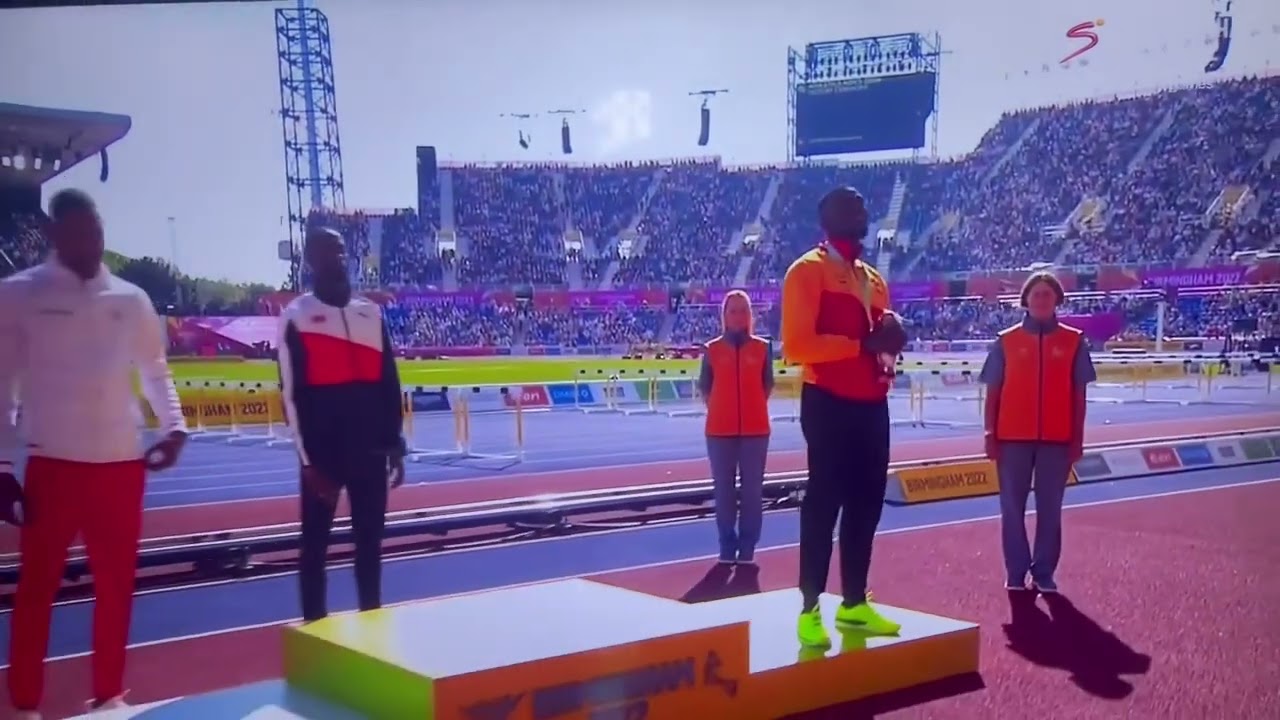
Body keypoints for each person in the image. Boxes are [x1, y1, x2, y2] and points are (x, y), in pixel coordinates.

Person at [0, 189, 187, 717]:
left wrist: (174, 427)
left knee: (116, 588)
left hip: (120, 466)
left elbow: (154, 369)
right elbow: (1, 382)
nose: (92, 242)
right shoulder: (18, 295)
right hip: (51, 464)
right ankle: (26, 704)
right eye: (79, 232)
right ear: (55, 235)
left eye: (98, 231)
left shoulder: (129, 300)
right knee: (36, 592)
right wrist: (1, 467)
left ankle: (108, 696)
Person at [781, 186, 907, 649]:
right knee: (824, 503)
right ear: (825, 217)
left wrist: (891, 347)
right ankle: (810, 607)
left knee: (866, 505)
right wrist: (860, 347)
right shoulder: (807, 271)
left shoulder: (874, 278)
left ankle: (853, 603)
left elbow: (881, 341)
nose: (857, 211)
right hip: (828, 401)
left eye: (860, 205)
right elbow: (796, 346)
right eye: (845, 206)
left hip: (873, 404)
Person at [277, 226, 407, 623]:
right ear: (310, 260)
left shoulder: (369, 312)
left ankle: (373, 631)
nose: (337, 257)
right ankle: (315, 632)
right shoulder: (296, 317)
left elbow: (389, 381)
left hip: (370, 452)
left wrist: (395, 443)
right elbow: (290, 393)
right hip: (324, 457)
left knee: (370, 548)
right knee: (315, 549)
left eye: (340, 250)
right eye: (326, 251)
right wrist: (307, 461)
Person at [979, 271, 1096, 594]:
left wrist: (1077, 439)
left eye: (1048, 294)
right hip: (1011, 438)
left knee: (1050, 509)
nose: (1042, 300)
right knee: (1011, 508)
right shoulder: (1006, 340)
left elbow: (1079, 396)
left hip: (1057, 441)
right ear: (1026, 300)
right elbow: (993, 392)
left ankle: (1043, 571)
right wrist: (990, 433)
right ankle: (1015, 571)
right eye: (1036, 294)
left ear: (1057, 299)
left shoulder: (1074, 341)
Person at [697, 290, 773, 566]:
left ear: (750, 315)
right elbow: (706, 387)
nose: (738, 315)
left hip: (756, 432)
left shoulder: (763, 348)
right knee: (724, 491)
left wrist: (750, 408)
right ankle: (726, 546)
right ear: (724, 316)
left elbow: (767, 385)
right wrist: (723, 410)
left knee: (753, 491)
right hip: (719, 432)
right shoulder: (713, 349)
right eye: (733, 310)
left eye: (743, 310)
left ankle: (748, 547)